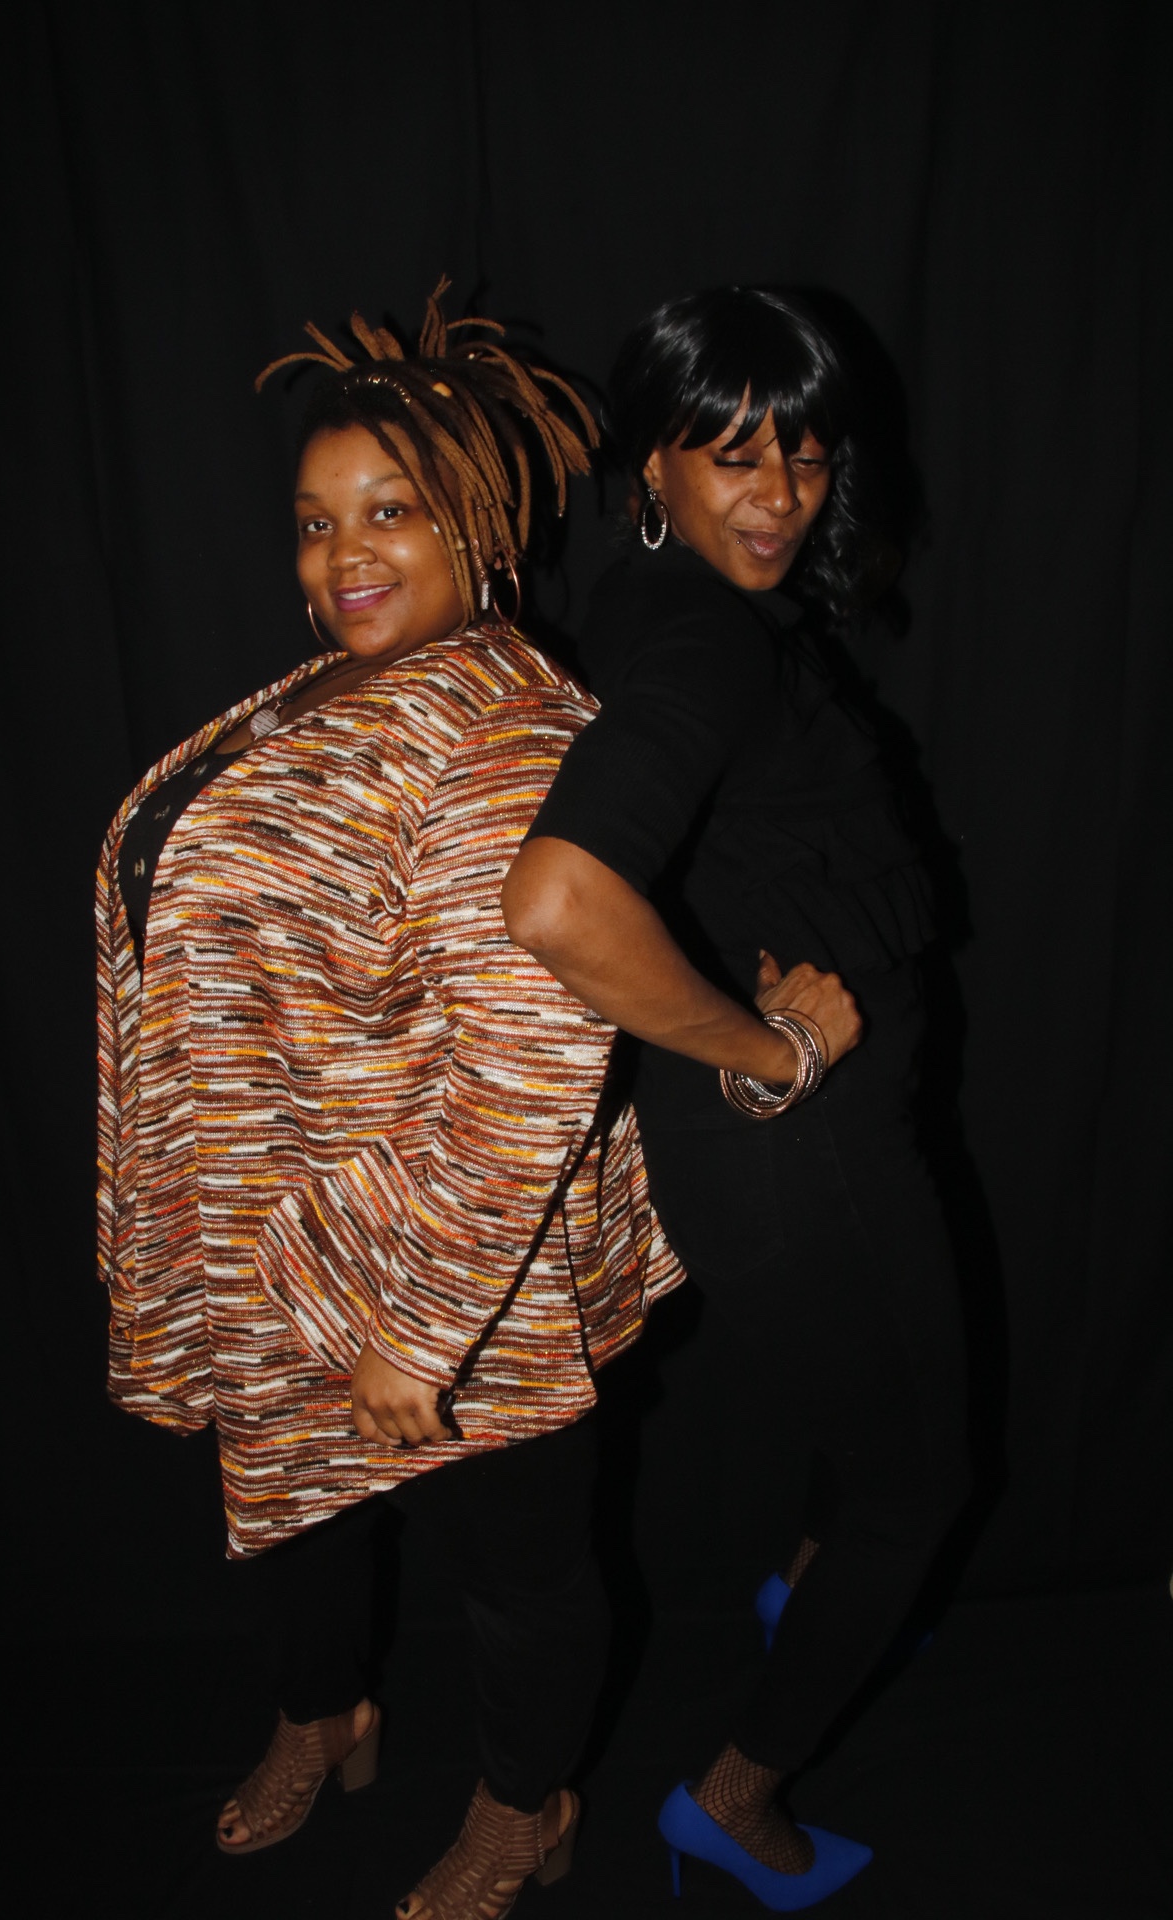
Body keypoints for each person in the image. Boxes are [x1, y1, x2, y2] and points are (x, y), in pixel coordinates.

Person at [94, 281, 680, 1919]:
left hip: (455, 1254)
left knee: (519, 1566)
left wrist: (422, 1327)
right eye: (315, 520)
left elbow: (531, 1063)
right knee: (295, 1516)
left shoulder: (507, 738)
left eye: (391, 510)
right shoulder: (324, 689)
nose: (342, 554)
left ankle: (525, 1805)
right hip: (279, 1214)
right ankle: (326, 1714)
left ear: (480, 522)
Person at [502, 285, 970, 1911]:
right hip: (795, 1150)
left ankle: (805, 1605)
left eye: (808, 456)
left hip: (794, 1156)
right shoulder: (702, 635)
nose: (780, 496)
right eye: (733, 456)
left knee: (878, 1427)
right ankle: (734, 1799)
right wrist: (772, 1055)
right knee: (921, 1484)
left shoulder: (664, 595)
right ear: (653, 463)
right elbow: (559, 900)